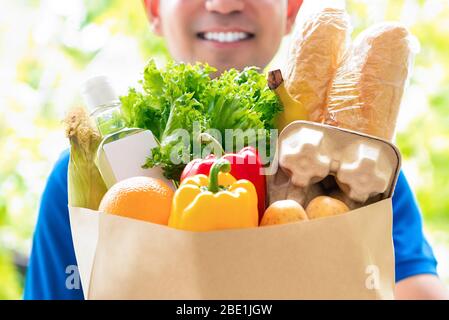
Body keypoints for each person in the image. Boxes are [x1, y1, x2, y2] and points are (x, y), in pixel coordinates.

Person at [24, 0, 449, 300]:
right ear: (154, 8)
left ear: (290, 8)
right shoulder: (90, 175)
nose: (224, 3)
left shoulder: (351, 169)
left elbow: (418, 290)